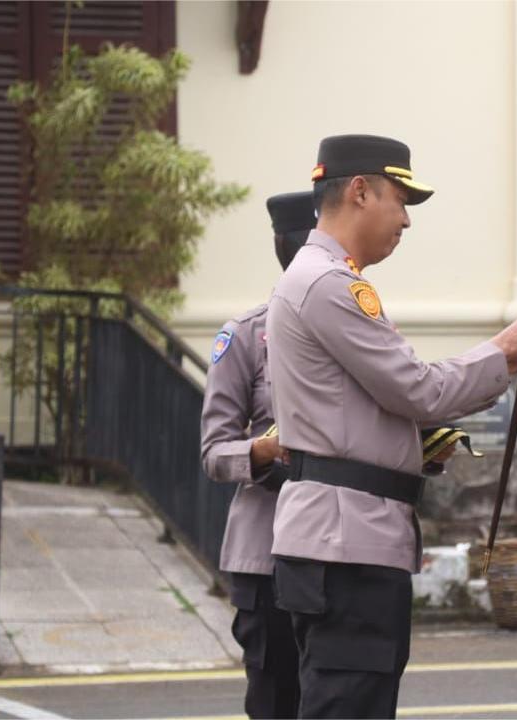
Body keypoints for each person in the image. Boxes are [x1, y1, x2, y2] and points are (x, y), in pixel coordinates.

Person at [266, 135, 517, 717]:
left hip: (343, 534)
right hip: (346, 544)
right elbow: (419, 388)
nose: (407, 220)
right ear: (360, 191)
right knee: (348, 704)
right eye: (401, 198)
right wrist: (503, 350)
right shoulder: (331, 284)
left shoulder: (322, 277)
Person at [200, 190, 313, 719]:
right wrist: (265, 449)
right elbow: (214, 452)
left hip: (337, 551)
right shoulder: (245, 335)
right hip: (267, 557)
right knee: (275, 701)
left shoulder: (364, 324)